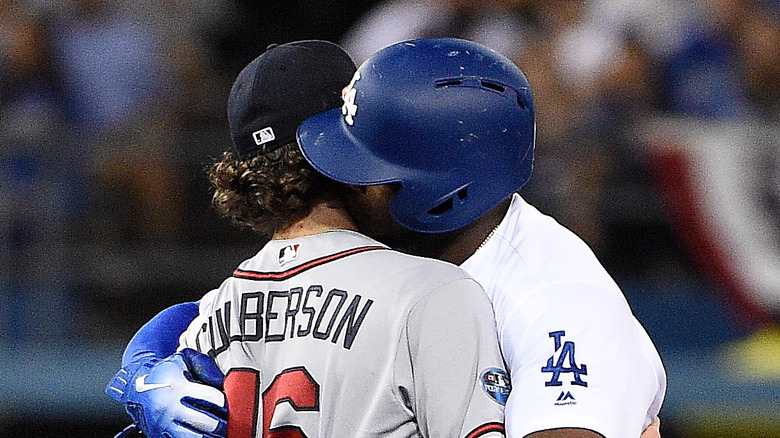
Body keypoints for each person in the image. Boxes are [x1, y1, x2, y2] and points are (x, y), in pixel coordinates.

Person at [108, 38, 665, 438]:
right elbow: (203, 312)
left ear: (444, 193)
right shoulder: (405, 258)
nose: (343, 180)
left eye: (363, 165)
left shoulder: (555, 301)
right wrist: (144, 368)